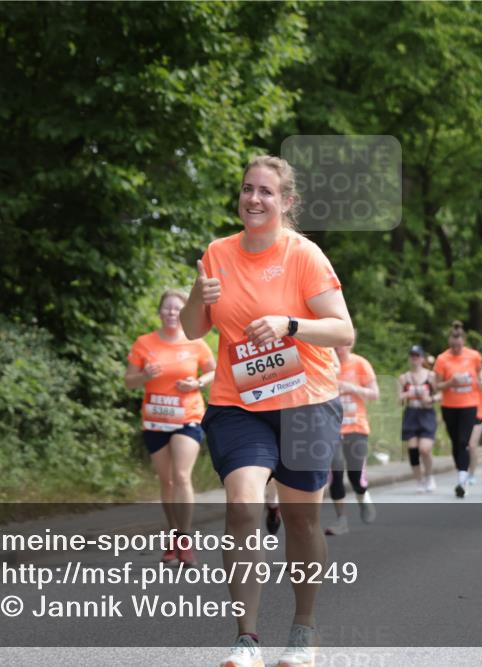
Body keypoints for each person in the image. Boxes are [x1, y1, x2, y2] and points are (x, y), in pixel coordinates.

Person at [180, 155, 353, 667]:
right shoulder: (217, 253)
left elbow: (343, 330)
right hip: (240, 403)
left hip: (306, 401)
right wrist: (197, 296)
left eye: (266, 192)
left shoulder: (304, 255)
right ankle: (247, 638)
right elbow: (193, 329)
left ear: (286, 201)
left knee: (302, 522)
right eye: (247, 189)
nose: (253, 199)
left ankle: (304, 628)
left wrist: (288, 324)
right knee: (242, 505)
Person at [125, 289, 215, 566]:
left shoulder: (196, 342)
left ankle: (185, 540)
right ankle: (173, 535)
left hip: (187, 417)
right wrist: (144, 375)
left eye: (177, 308)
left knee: (181, 476)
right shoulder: (144, 343)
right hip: (155, 420)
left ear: (184, 312)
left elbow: (215, 371)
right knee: (167, 482)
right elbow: (128, 381)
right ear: (159, 312)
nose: (172, 313)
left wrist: (197, 383)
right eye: (167, 308)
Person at [326, 338, 379, 535]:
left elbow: (374, 394)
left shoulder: (360, 364)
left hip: (356, 427)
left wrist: (351, 388)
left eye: (342, 343)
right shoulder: (325, 363)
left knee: (356, 475)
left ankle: (363, 496)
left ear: (350, 343)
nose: (338, 347)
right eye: (334, 344)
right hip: (331, 429)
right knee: (336, 472)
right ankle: (341, 520)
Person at [433, 321, 482, 498]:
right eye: (453, 345)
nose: (456, 348)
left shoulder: (473, 356)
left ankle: (462, 480)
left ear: (463, 341)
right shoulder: (442, 359)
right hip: (449, 406)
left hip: (469, 405)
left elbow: (481, 372)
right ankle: (461, 472)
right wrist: (451, 382)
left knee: (464, 441)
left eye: (459, 345)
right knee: (456, 442)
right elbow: (436, 385)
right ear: (449, 342)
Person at [400, 344, 439, 493]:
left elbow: (440, 394)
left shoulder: (431, 376)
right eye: (412, 356)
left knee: (425, 449)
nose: (414, 358)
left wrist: (430, 399)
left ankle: (429, 476)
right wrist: (406, 395)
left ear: (422, 358)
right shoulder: (404, 378)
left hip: (426, 414)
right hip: (411, 413)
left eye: (417, 356)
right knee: (413, 449)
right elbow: (399, 400)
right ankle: (419, 480)